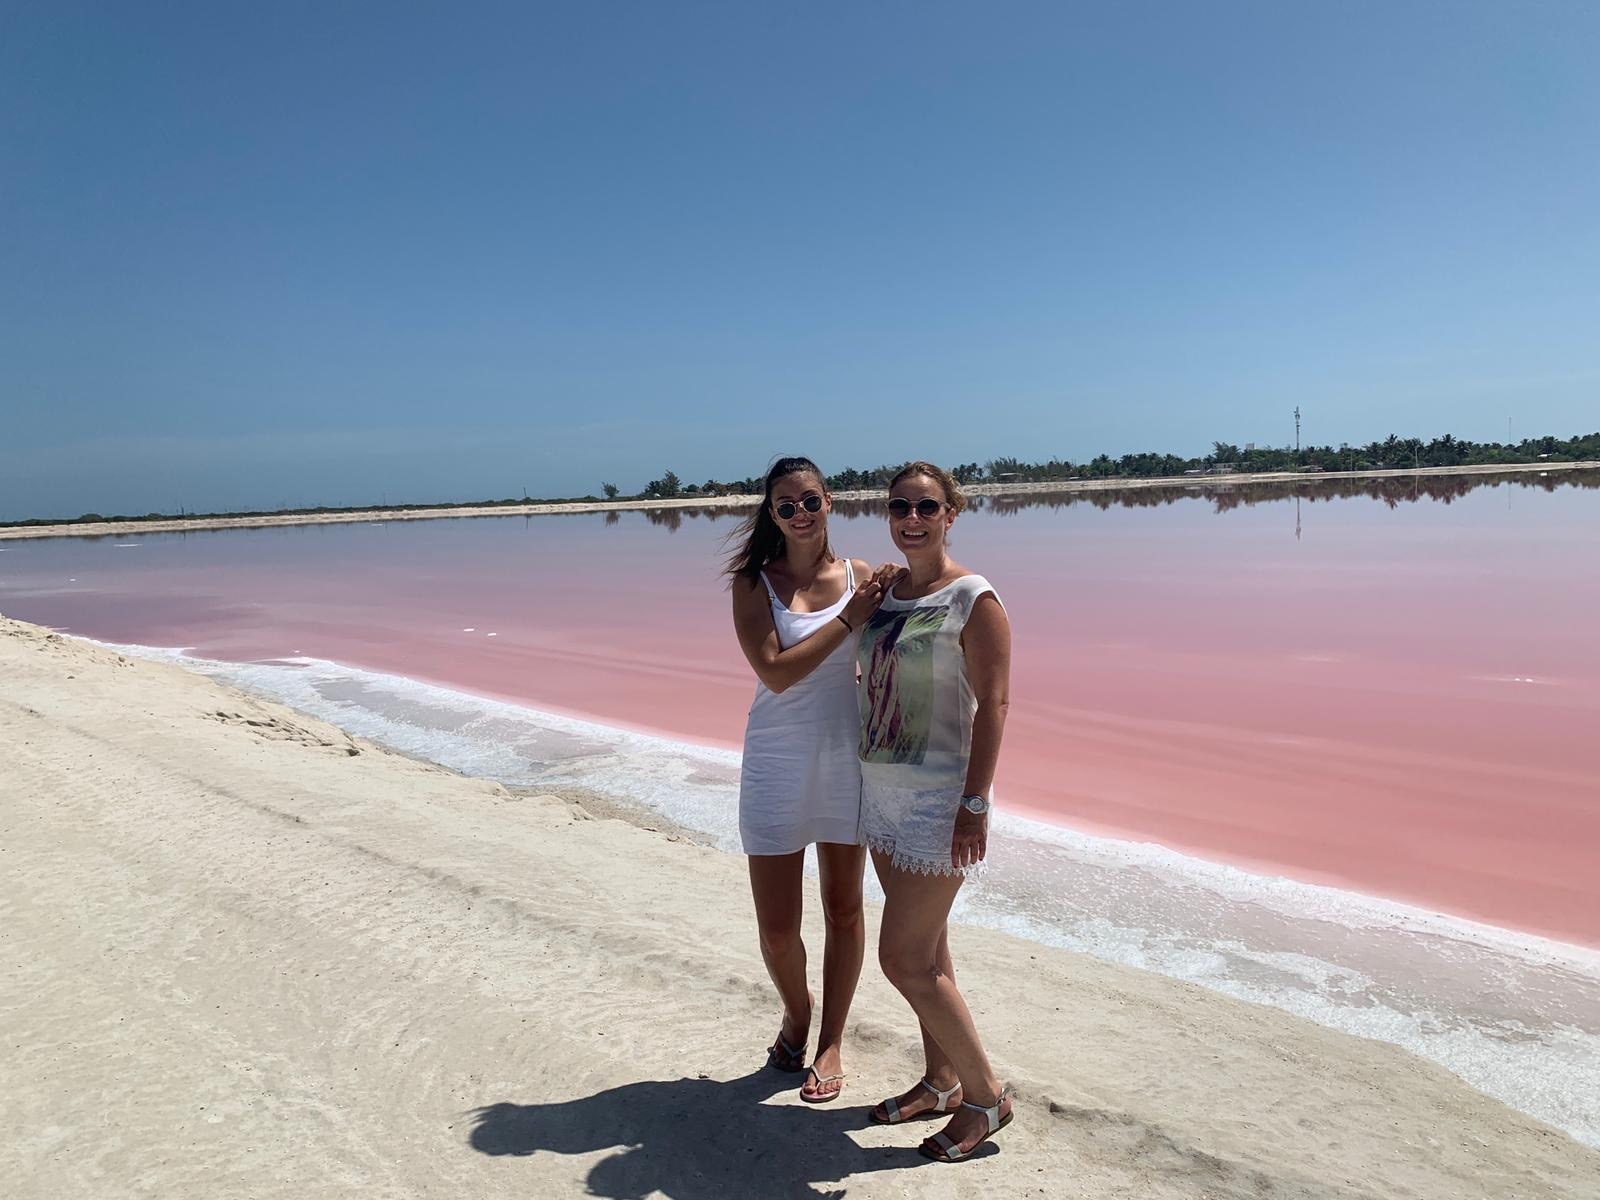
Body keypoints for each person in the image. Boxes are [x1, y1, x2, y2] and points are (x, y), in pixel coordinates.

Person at [858, 460, 1016, 1162]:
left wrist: (975, 804)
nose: (912, 520)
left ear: (952, 514)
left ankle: (987, 1097)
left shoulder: (974, 599)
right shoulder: (884, 592)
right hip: (881, 796)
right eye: (900, 508)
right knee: (930, 949)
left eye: (926, 508)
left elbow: (996, 705)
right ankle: (941, 1080)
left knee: (902, 959)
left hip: (937, 803)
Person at [727, 455, 892, 1104]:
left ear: (831, 503)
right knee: (776, 929)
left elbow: (905, 648)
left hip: (846, 760)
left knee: (845, 910)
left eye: (810, 501)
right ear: (771, 515)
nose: (800, 514)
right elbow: (776, 671)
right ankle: (797, 1011)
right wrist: (850, 620)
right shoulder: (753, 583)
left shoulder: (864, 578)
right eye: (785, 506)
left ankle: (829, 1041)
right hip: (774, 760)